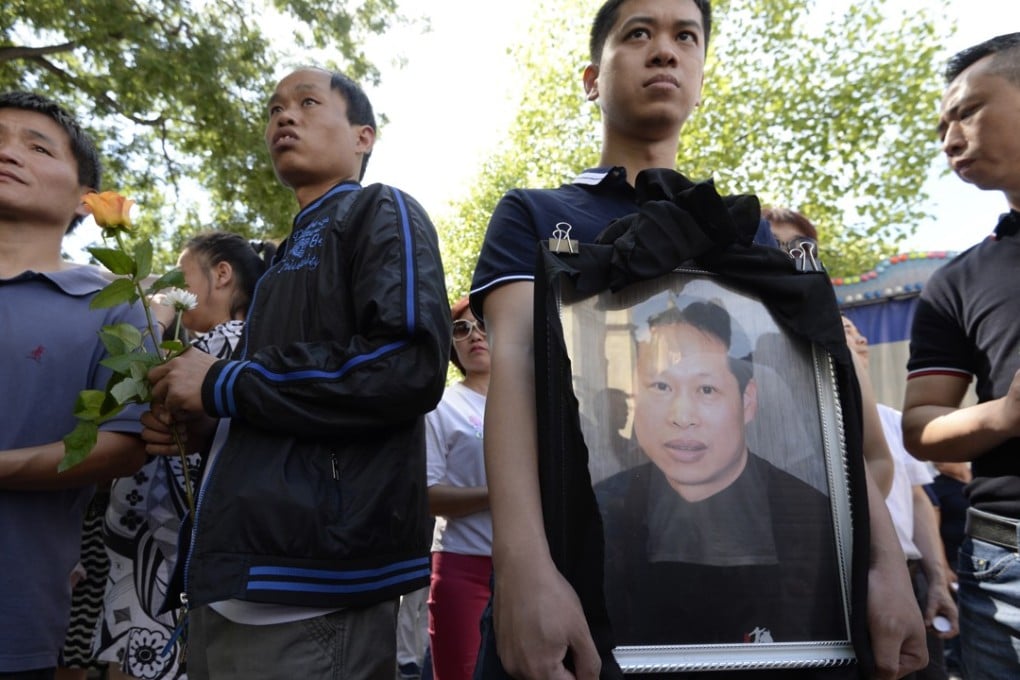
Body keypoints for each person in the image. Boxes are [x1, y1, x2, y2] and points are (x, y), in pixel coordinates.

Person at [469, 1, 926, 678]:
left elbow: (819, 420)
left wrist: (883, 563)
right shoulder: (535, 213)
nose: (665, 50)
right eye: (639, 34)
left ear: (702, 74)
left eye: (686, 36)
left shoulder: (745, 231)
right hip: (581, 571)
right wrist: (522, 570)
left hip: (756, 609)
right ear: (592, 78)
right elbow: (516, 367)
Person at [140, 67, 450, 680]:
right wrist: (210, 426)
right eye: (276, 107)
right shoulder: (278, 259)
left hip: (314, 587)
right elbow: (284, 401)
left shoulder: (379, 208)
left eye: (308, 102)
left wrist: (223, 384)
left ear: (364, 136)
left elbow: (406, 362)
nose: (285, 115)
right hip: (236, 580)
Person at [0, 91, 147, 678]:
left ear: (87, 202)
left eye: (37, 146)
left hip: (17, 619)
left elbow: (125, 443)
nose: (9, 153)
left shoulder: (115, 306)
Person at [596, 300, 844, 645]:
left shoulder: (807, 515)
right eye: (661, 387)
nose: (681, 416)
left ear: (748, 401)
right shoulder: (600, 510)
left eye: (707, 390)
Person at [91, 232, 275, 679]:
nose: (169, 285)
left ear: (222, 275)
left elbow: (118, 386)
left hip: (162, 567)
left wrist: (155, 311)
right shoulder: (258, 349)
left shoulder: (218, 348)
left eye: (180, 275)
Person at [902, 32, 1020, 680]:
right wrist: (1004, 414)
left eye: (967, 111)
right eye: (942, 122)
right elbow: (920, 426)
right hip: (1006, 568)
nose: (948, 135)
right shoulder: (956, 282)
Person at [844, 316, 958, 680]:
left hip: (910, 576)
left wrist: (937, 580)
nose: (859, 339)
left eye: (860, 332)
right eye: (845, 329)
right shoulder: (814, 416)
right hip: (851, 577)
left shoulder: (891, 420)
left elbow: (919, 502)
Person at [426, 297, 492, 680]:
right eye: (461, 329)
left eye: (482, 324)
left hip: (530, 568)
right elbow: (428, 496)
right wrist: (498, 492)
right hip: (462, 567)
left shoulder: (534, 403)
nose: (474, 335)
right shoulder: (441, 406)